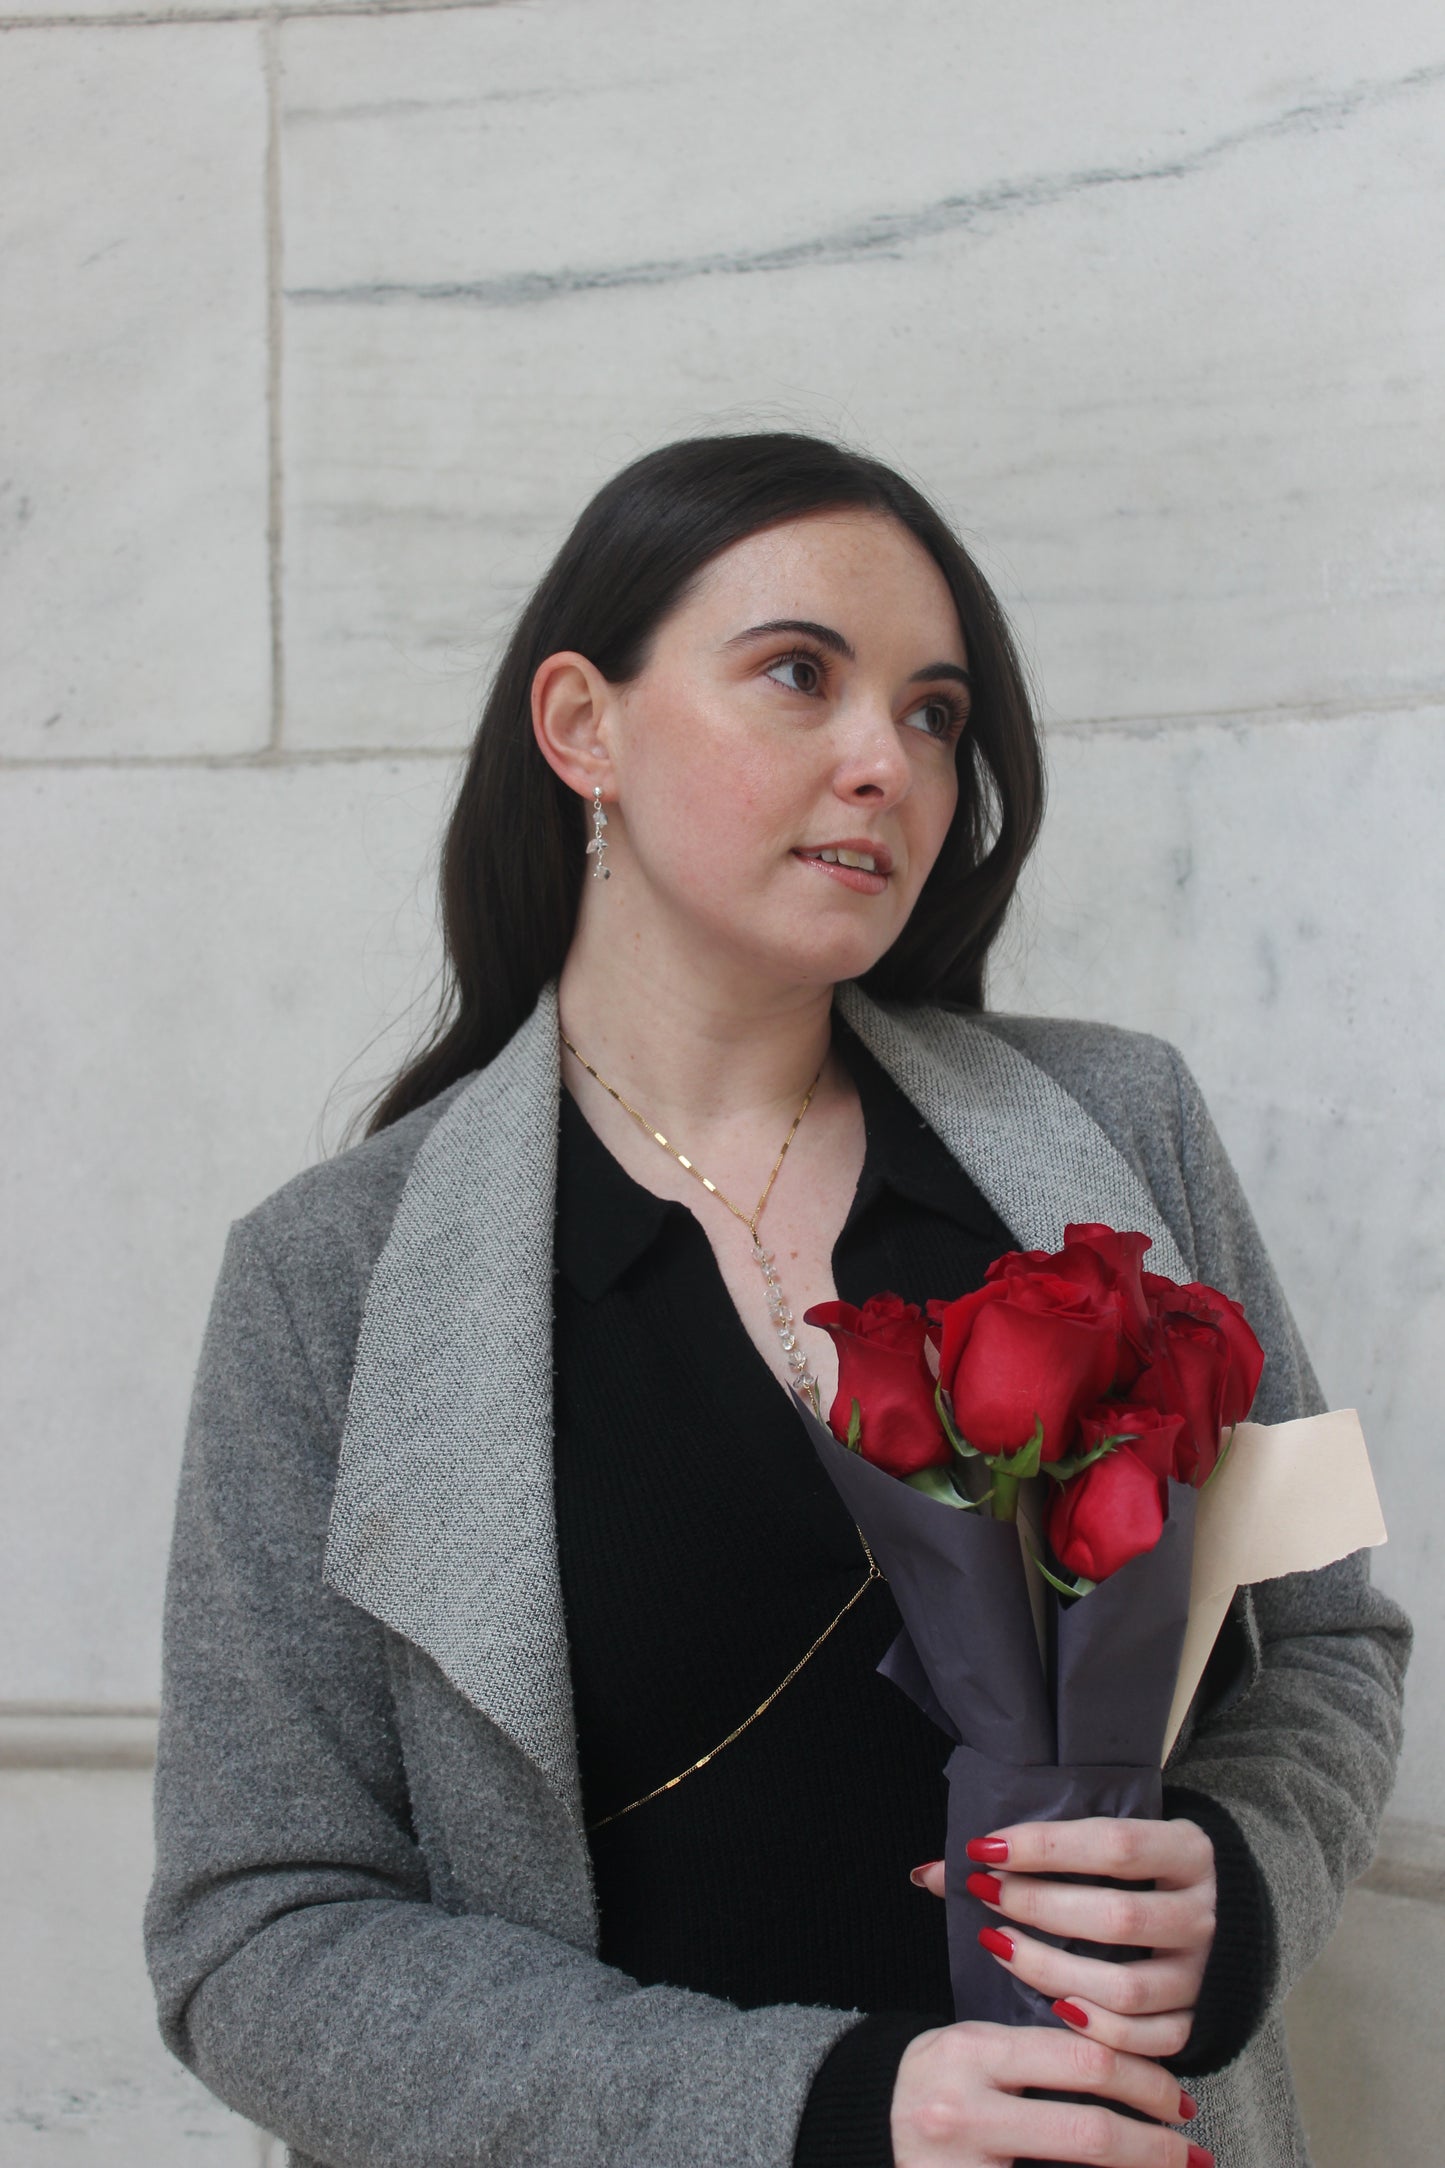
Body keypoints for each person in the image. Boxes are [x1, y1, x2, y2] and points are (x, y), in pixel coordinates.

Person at [145, 434, 1409, 2168]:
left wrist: (1236, 1885)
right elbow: (258, 1932)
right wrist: (809, 2111)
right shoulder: (330, 1281)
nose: (883, 761)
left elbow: (1325, 1635)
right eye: (799, 676)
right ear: (582, 724)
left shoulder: (1117, 1132)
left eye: (933, 712)